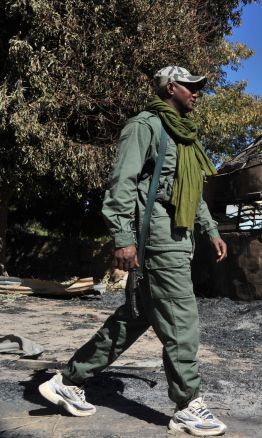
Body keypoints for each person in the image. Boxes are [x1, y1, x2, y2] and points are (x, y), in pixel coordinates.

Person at [38, 66, 229, 437]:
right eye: (191, 87)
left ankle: (68, 380)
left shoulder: (185, 135)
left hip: (179, 234)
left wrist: (210, 230)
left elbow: (190, 190)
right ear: (170, 88)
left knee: (135, 317)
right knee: (181, 318)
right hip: (156, 236)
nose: (197, 93)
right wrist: (122, 237)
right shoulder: (145, 126)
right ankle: (188, 406)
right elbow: (121, 183)